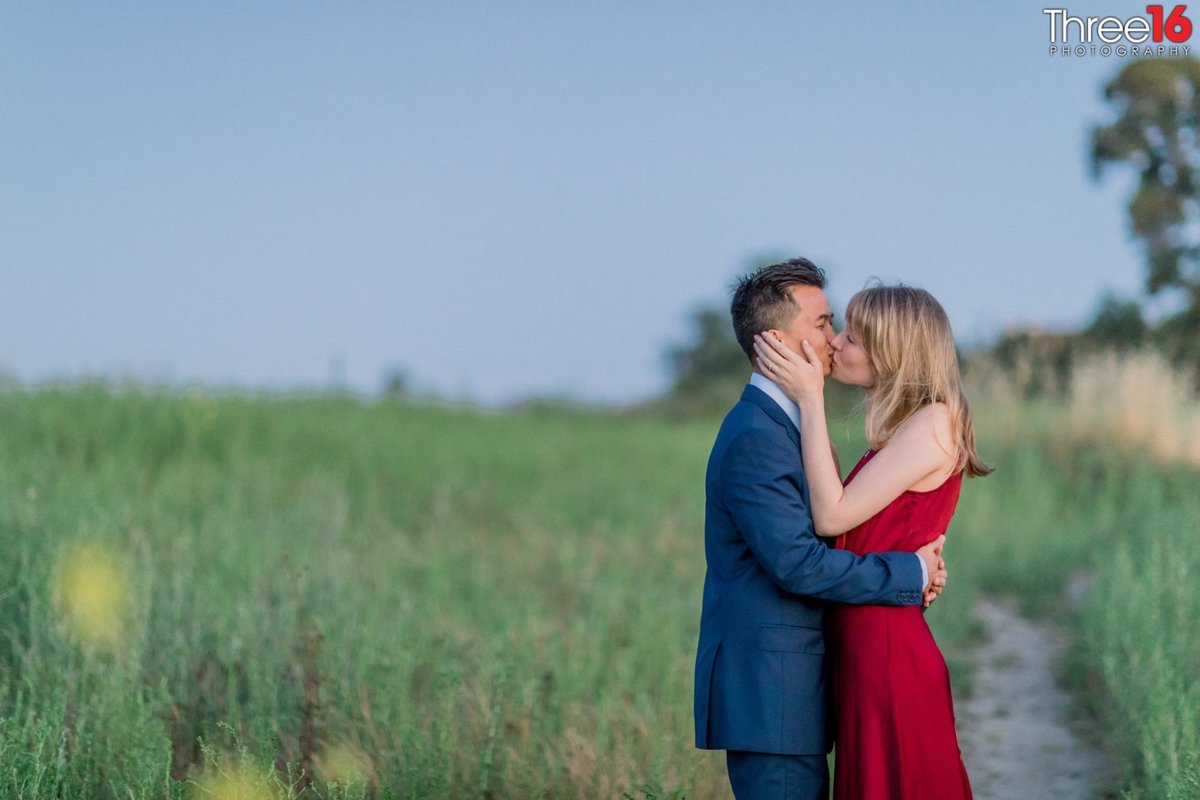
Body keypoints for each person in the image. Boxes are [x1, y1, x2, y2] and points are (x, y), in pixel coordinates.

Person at [693, 259, 948, 800]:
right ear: (778, 342)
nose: (833, 341)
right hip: (772, 697)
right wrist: (909, 570)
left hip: (803, 690)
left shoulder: (784, 427)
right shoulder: (757, 438)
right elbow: (798, 565)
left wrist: (913, 567)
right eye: (823, 324)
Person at [753, 283, 992, 800]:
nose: (837, 344)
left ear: (893, 355)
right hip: (866, 649)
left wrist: (811, 400)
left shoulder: (934, 423)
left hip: (887, 656)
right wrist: (917, 570)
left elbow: (831, 516)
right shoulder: (907, 426)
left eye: (854, 339)